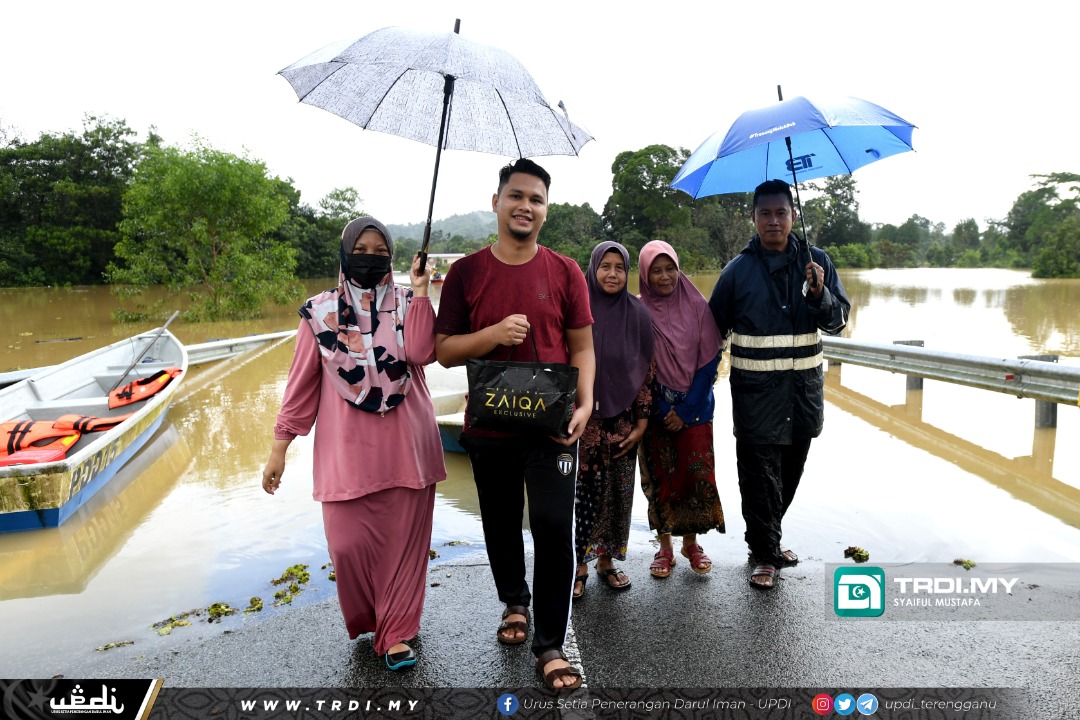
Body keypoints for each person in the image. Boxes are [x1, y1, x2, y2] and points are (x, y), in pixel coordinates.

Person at [434, 158, 594, 691]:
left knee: (552, 524)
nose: (526, 206)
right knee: (501, 522)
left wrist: (586, 403)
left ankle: (549, 644)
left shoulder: (566, 271)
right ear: (496, 202)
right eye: (516, 196)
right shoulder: (466, 273)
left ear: (546, 210)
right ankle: (514, 602)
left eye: (536, 199)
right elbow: (444, 351)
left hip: (553, 426)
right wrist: (494, 334)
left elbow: (583, 347)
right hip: (490, 426)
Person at [261, 216, 446, 670]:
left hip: (409, 445)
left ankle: (396, 631)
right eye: (360, 250)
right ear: (345, 254)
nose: (370, 258)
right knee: (346, 545)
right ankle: (373, 618)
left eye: (380, 251)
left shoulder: (408, 301)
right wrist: (279, 448)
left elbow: (422, 353)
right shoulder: (318, 313)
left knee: (403, 547)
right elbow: (300, 386)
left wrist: (421, 290)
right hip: (346, 453)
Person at [707, 179, 851, 590]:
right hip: (755, 399)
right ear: (753, 218)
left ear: (793, 215)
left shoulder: (817, 263)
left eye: (781, 212)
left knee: (789, 475)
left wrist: (820, 294)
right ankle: (765, 553)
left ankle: (766, 538)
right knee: (759, 478)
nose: (774, 221)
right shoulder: (737, 272)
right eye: (765, 213)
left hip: (803, 396)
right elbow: (711, 332)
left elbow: (838, 322)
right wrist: (698, 386)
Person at [636, 240, 726, 579]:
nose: (664, 277)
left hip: (696, 408)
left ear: (678, 269)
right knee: (660, 478)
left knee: (694, 476)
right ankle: (665, 547)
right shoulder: (639, 311)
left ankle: (691, 543)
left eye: (669, 269)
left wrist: (686, 410)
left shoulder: (698, 306)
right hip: (655, 409)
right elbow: (637, 364)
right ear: (644, 275)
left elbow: (709, 360)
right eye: (656, 271)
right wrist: (662, 408)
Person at [572, 241, 655, 599]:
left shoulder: (638, 313)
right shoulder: (577, 308)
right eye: (605, 266)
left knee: (618, 492)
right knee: (581, 493)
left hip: (622, 419)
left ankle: (606, 560)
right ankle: (578, 564)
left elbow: (646, 369)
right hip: (581, 419)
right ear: (593, 269)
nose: (612, 274)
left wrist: (642, 420)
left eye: (619, 267)